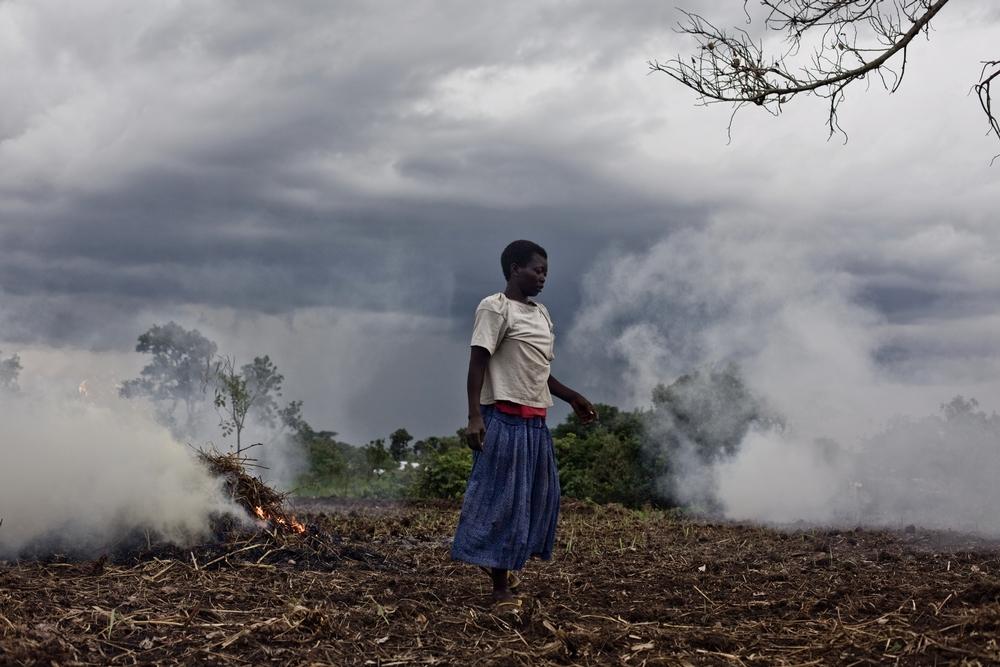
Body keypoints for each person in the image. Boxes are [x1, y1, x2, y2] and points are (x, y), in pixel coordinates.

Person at [450, 239, 597, 604]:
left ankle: (501, 565)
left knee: (539, 499)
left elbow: (539, 371)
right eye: (537, 269)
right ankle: (499, 587)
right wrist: (473, 416)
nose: (543, 277)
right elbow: (478, 363)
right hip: (503, 419)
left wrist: (573, 397)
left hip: (535, 423)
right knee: (502, 501)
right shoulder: (495, 309)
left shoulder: (542, 314)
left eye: (546, 271)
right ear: (515, 269)